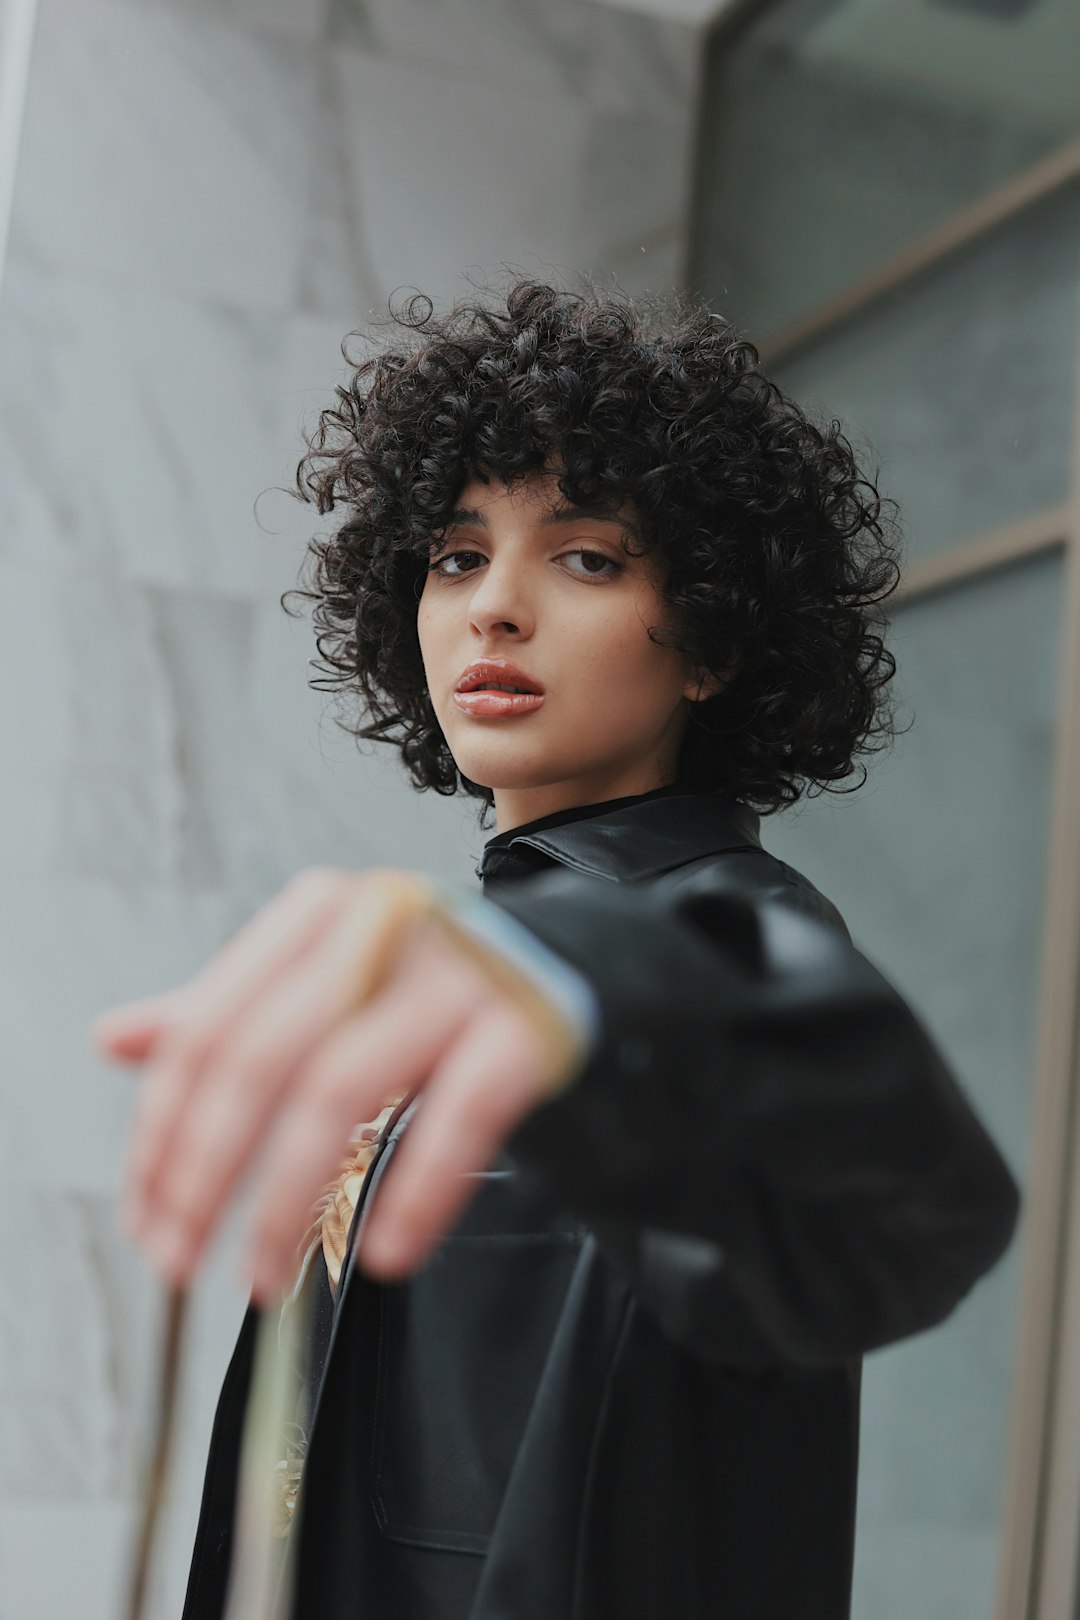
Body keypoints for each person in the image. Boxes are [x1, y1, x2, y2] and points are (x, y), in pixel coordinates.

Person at [91, 276, 1021, 1620]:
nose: (495, 609)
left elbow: (907, 1195)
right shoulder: (473, 969)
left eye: (585, 557)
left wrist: (588, 979)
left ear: (706, 641)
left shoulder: (731, 939)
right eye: (459, 557)